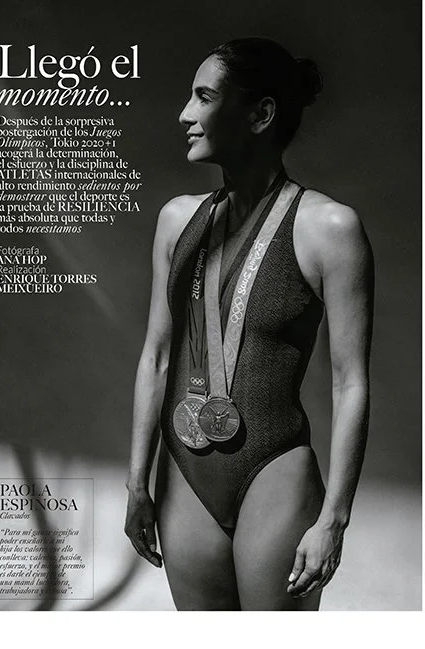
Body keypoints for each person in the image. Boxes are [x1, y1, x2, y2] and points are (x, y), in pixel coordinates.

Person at [124, 37, 374, 611]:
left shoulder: (330, 229)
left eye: (204, 97)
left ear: (261, 114)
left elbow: (350, 382)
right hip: (183, 477)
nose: (184, 114)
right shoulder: (176, 221)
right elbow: (156, 357)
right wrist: (137, 481)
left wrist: (333, 519)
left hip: (274, 474)